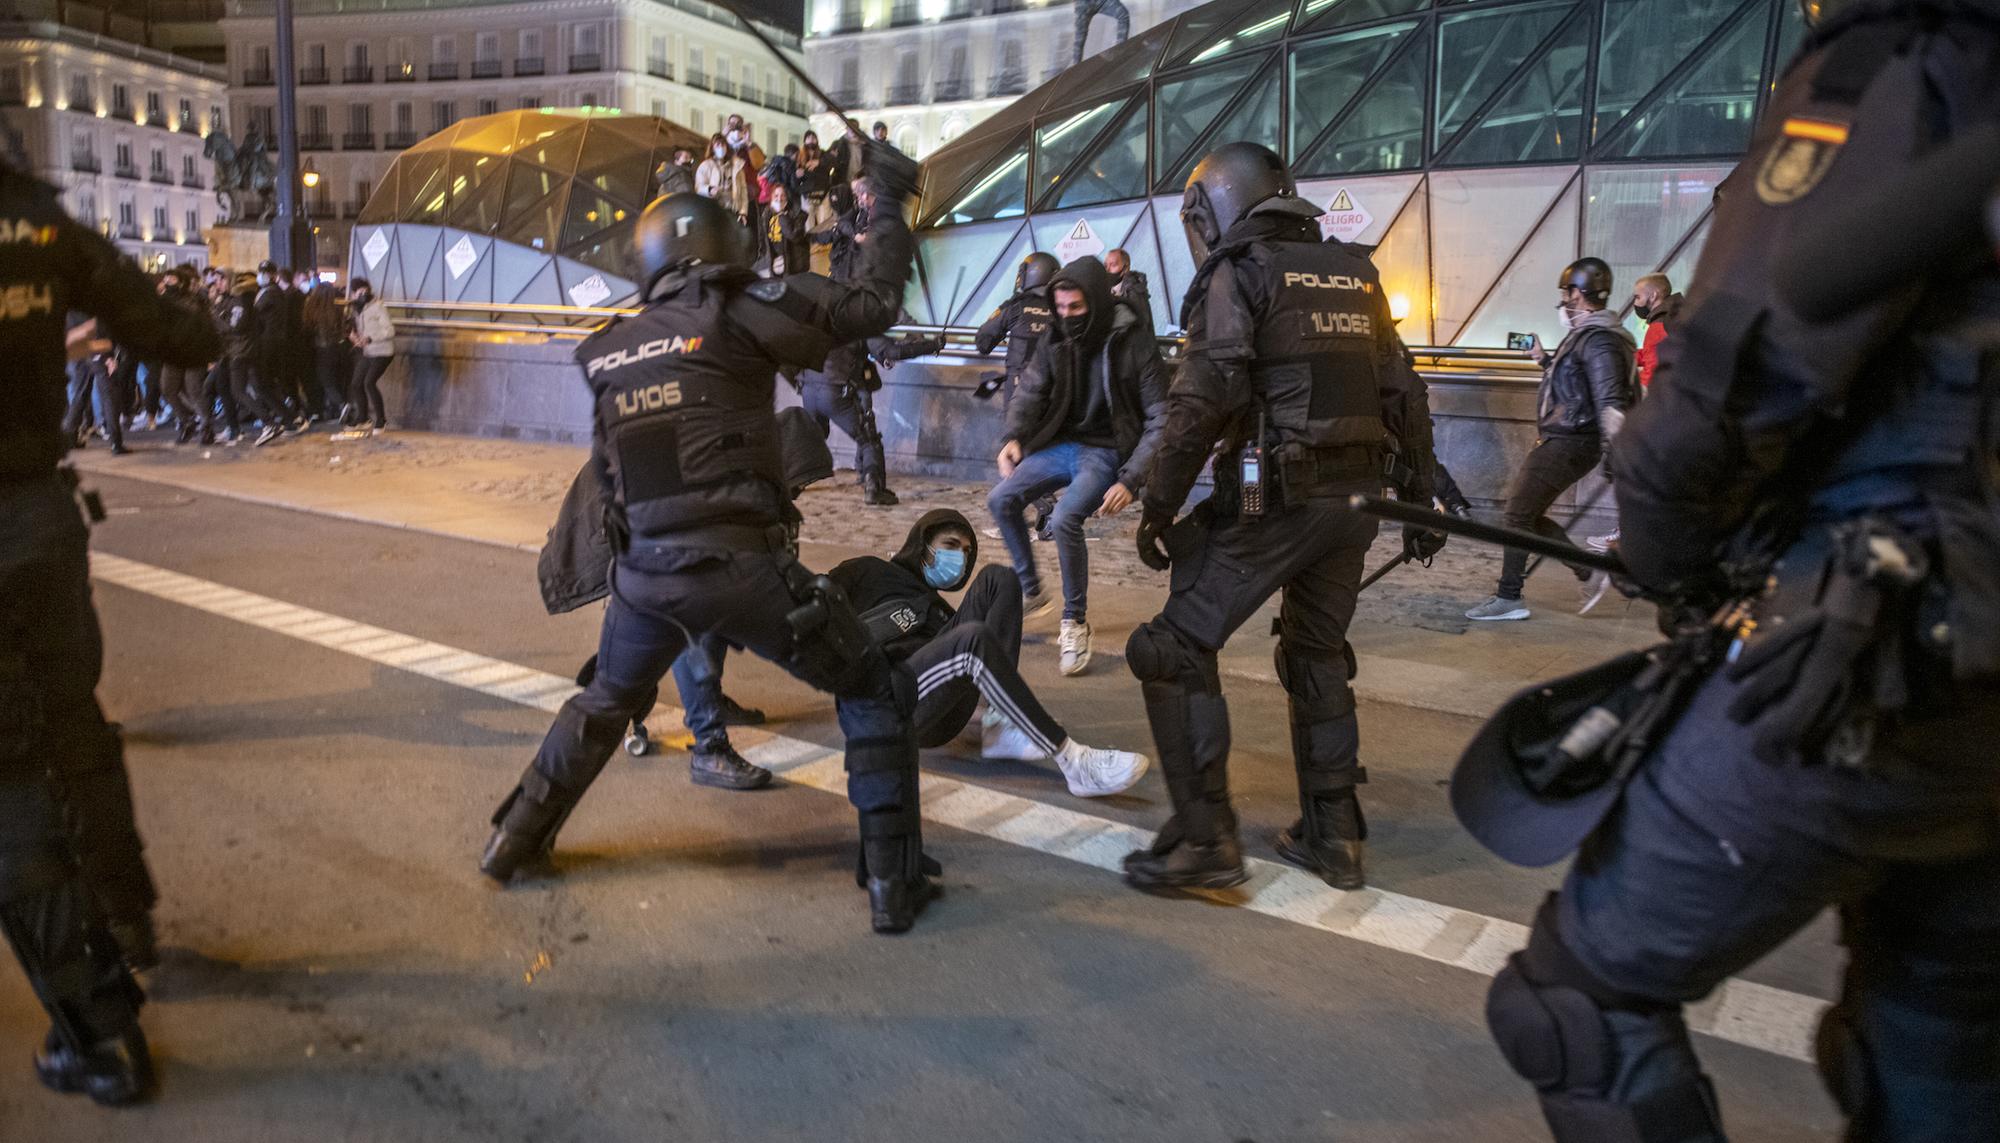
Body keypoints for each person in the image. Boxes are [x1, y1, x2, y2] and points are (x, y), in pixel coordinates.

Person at [1474, 5, 2000, 1140]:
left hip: (1880, 653)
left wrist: (1665, 555)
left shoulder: (1902, 61)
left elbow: (1727, 375)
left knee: (1574, 1003)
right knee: (1941, 1039)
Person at [479, 147, 946, 934]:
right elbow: (868, 307)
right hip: (743, 566)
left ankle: (511, 839)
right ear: (723, 247)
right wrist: (890, 208)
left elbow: (612, 475)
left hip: (645, 576)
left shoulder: (611, 349)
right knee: (869, 688)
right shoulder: (741, 306)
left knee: (602, 703)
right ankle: (892, 884)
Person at [1120, 142, 1443, 892]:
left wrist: (1159, 505)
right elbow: (1406, 394)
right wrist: (1421, 501)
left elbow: (1202, 399)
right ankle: (1335, 837)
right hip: (1359, 499)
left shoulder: (1242, 274)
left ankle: (1206, 843)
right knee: (1313, 651)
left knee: (1170, 649)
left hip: (1281, 498)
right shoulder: (1355, 273)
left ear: (1215, 208)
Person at [0, 155, 220, 1104]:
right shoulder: (33, 223)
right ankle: (127, 918)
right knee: (72, 723)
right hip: (36, 518)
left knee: (9, 779)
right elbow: (181, 330)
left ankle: (98, 1028)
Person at [987, 255, 1167, 676]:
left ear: (1097, 303)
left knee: (1066, 518)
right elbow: (1029, 391)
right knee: (1002, 500)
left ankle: (1075, 622)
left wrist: (1131, 478)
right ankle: (1031, 589)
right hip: (1061, 444)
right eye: (1061, 308)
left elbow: (1162, 416)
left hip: (1105, 451)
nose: (1066, 316)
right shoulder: (1053, 337)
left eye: (1076, 308)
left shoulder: (1132, 340)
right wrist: (1012, 437)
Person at [1462, 257, 1635, 622]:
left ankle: (1510, 598)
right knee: (1528, 515)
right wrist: (1543, 360)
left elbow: (1609, 400)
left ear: (1578, 293)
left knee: (1516, 516)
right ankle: (1585, 569)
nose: (1562, 302)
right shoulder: (1590, 337)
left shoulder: (1600, 339)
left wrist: (1613, 455)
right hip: (1568, 438)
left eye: (1565, 293)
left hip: (1572, 441)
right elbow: (1579, 390)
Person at [797, 330, 937, 507]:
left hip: (808, 388)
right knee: (869, 441)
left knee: (811, 438)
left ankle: (791, 483)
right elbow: (893, 352)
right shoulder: (860, 320)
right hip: (836, 391)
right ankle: (874, 489)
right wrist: (933, 346)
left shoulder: (820, 314)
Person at [975, 251, 1058, 410]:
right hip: (1054, 387)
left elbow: (983, 342)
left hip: (1020, 385)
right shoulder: (1063, 308)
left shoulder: (1016, 306)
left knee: (1016, 429)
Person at [218, 270, 287, 446]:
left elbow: (234, 327)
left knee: (238, 390)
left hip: (240, 351)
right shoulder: (244, 300)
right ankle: (283, 419)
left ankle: (269, 423)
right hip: (246, 349)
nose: (219, 284)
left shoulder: (240, 301)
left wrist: (216, 318)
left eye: (221, 279)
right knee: (257, 386)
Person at [347, 277, 394, 431]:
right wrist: (353, 336)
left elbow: (390, 330)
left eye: (365, 291)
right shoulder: (356, 308)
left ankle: (381, 420)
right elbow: (354, 328)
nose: (363, 294)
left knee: (369, 382)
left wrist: (370, 338)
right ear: (353, 294)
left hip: (383, 351)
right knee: (355, 383)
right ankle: (363, 418)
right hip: (368, 352)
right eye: (359, 292)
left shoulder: (377, 306)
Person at [301, 279, 349, 421]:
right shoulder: (338, 308)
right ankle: (335, 408)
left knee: (325, 381)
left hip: (322, 350)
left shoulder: (314, 309)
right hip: (339, 349)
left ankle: (341, 405)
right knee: (336, 380)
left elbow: (308, 329)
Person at [1631, 271, 1683, 391]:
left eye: (1638, 297)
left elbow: (1651, 373)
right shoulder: (1678, 315)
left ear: (1653, 296)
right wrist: (1627, 357)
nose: (1635, 303)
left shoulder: (1658, 326)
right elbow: (1654, 352)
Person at [758, 183, 810, 278]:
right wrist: (765, 257)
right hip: (776, 262)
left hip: (795, 264)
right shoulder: (767, 214)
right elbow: (763, 237)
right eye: (776, 196)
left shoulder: (797, 214)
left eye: (783, 195)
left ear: (787, 198)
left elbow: (793, 236)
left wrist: (782, 215)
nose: (779, 199)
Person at [1104, 247, 1153, 334]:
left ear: (1125, 268)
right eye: (1105, 266)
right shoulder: (1108, 291)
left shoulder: (1135, 291)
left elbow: (1140, 325)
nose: (1107, 270)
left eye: (1113, 265)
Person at [695, 133, 730, 201]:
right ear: (712, 148)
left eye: (723, 144)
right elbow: (698, 187)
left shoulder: (732, 165)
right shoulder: (706, 165)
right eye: (717, 145)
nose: (721, 147)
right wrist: (709, 189)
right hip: (712, 205)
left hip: (730, 206)